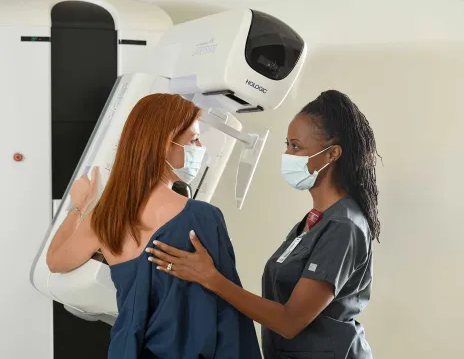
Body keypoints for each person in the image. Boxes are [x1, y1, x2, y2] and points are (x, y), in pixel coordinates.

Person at [148, 90, 381, 359]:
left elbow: (289, 322)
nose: (287, 154)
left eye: (296, 146)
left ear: (332, 154)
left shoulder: (344, 227)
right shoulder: (314, 220)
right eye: (287, 145)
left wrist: (210, 278)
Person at [46, 93, 262, 359]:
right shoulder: (203, 218)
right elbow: (229, 319)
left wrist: (80, 206)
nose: (200, 145)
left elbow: (54, 261)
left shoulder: (104, 217)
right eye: (192, 139)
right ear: (164, 146)